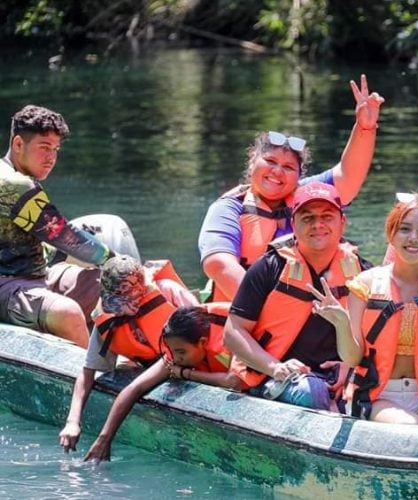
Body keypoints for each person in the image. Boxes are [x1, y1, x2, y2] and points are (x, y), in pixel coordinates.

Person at [199, 75, 384, 302]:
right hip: (249, 317)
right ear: (251, 161)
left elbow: (348, 176)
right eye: (270, 162)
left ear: (298, 176)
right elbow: (218, 264)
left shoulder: (307, 194)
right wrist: (264, 312)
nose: (277, 172)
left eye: (288, 167)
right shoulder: (228, 209)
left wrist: (365, 127)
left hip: (310, 310)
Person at [313, 194, 418, 427]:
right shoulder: (364, 285)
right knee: (412, 428)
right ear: (391, 234)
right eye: (405, 229)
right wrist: (341, 324)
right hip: (376, 394)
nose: (413, 238)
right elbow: (353, 358)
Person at [223, 182, 370, 410]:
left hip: (340, 375)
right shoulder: (269, 267)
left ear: (342, 222)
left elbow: (374, 339)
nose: (317, 224)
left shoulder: (364, 273)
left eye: (327, 216)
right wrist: (274, 367)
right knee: (310, 393)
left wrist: (350, 367)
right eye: (308, 217)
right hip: (278, 377)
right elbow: (233, 332)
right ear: (293, 223)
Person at [58, 255, 202, 452]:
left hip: (199, 368)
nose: (123, 308)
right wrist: (73, 422)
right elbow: (88, 372)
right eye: (117, 302)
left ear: (144, 287)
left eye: (129, 300)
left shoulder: (168, 291)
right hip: (161, 371)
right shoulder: (110, 318)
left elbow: (206, 332)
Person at [1, 105, 113, 347]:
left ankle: (125, 359)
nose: (51, 158)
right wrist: (116, 260)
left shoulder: (18, 177)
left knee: (108, 285)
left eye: (55, 149)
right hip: (7, 285)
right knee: (69, 313)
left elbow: (34, 242)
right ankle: (90, 380)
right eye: (44, 147)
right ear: (18, 144)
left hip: (35, 275)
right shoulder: (13, 185)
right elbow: (64, 236)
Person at [83, 305, 241, 462]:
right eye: (172, 351)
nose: (177, 359)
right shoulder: (177, 351)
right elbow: (134, 388)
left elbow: (233, 381)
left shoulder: (233, 335)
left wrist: (186, 373)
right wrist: (104, 438)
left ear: (202, 342)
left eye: (181, 352)